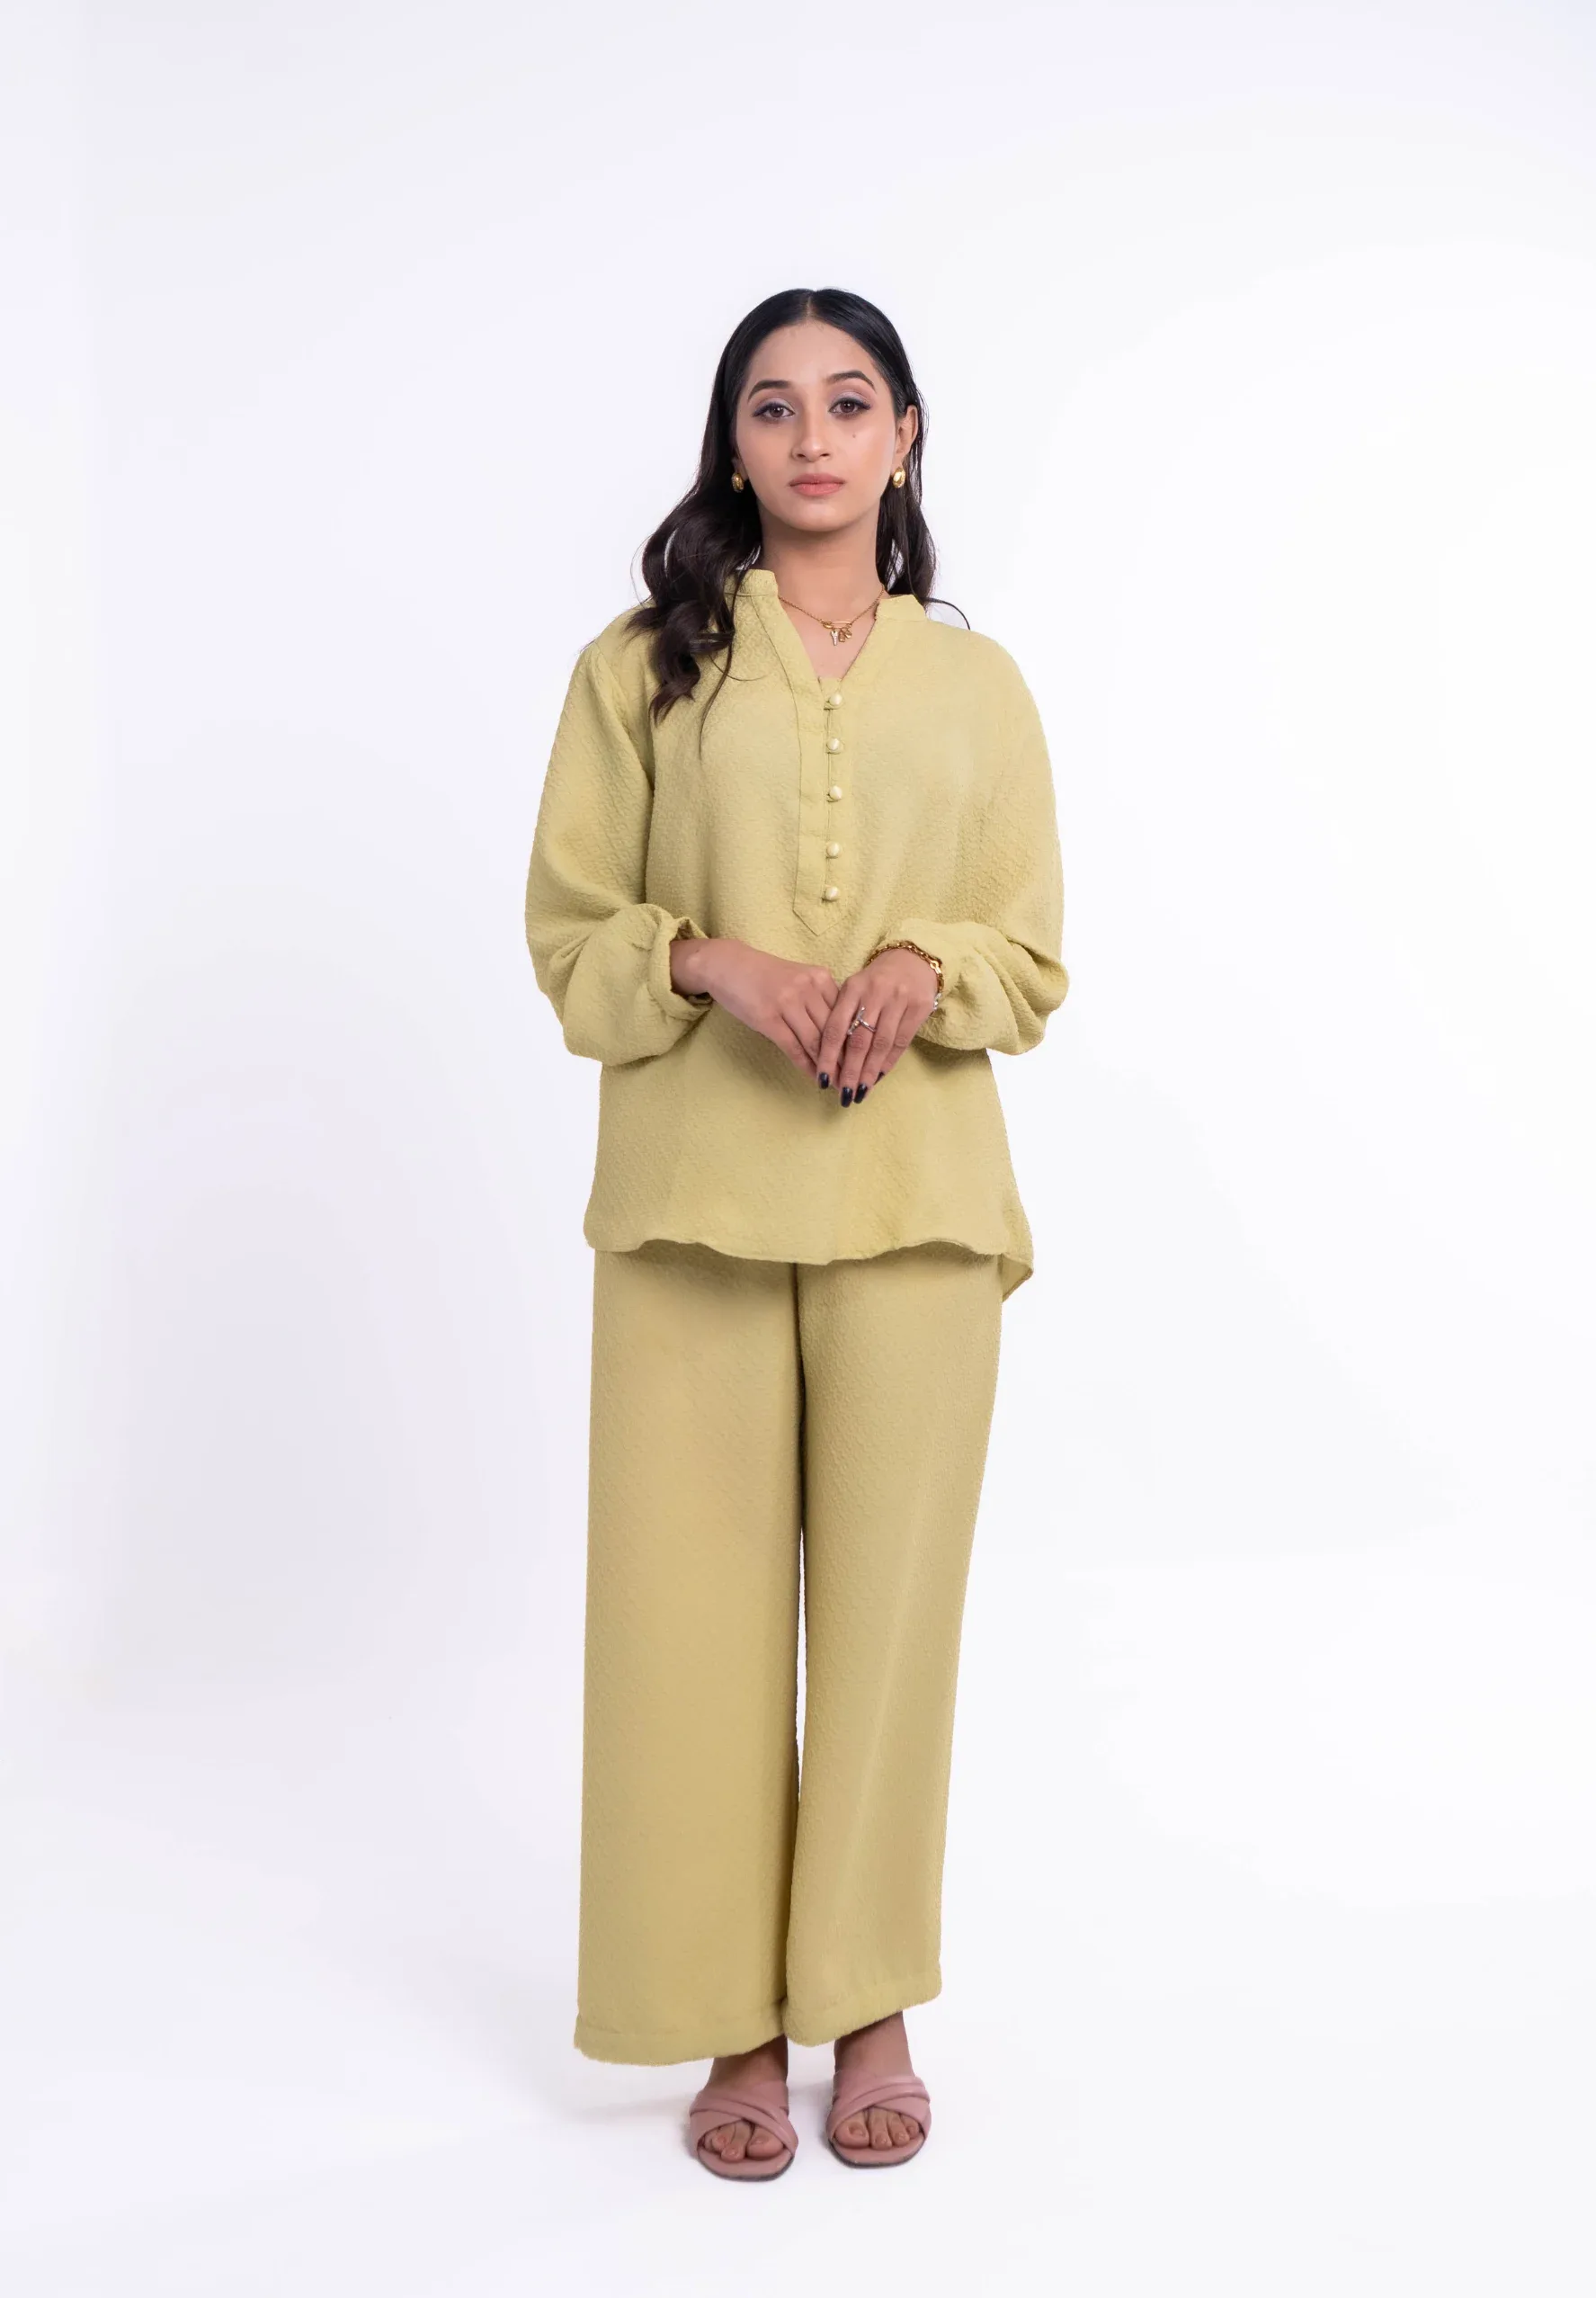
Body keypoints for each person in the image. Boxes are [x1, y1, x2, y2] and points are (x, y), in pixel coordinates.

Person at [523, 285, 1069, 2179]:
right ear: (732, 442)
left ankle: (868, 2000)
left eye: (848, 402)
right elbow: (567, 937)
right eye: (772, 405)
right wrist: (712, 963)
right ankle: (731, 2022)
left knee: (890, 1630)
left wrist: (924, 961)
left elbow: (1030, 953)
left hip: (919, 1206)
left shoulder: (977, 689)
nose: (812, 436)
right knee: (685, 1625)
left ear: (903, 437)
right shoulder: (639, 671)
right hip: (692, 1200)